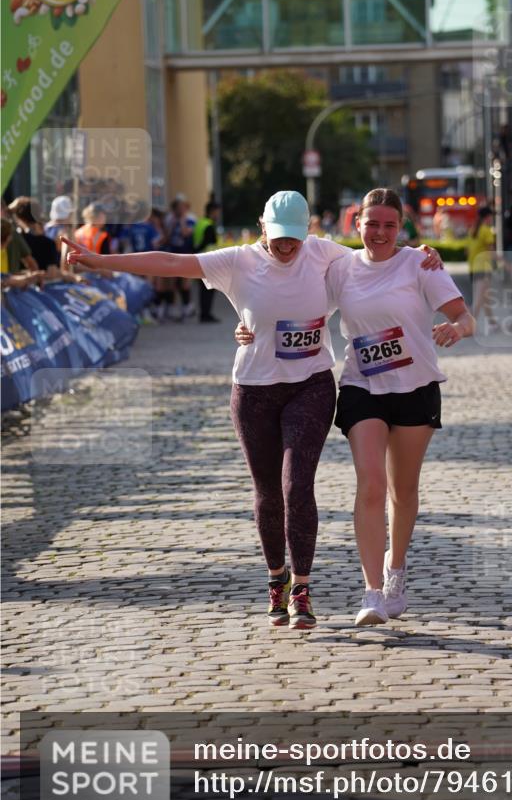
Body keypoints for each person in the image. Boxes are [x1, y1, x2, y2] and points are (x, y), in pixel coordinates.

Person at [62, 190, 444, 630]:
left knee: (297, 485)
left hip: (311, 386)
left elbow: (375, 256)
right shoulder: (237, 261)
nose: (287, 246)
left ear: (309, 233)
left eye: (295, 239)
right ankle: (276, 579)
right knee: (266, 492)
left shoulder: (324, 255)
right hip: (254, 390)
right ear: (262, 228)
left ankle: (302, 588)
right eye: (279, 237)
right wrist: (97, 260)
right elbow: (171, 262)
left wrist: (420, 254)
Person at [324, 189, 474, 625]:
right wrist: (247, 325)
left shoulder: (419, 264)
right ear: (357, 225)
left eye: (390, 225)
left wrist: (457, 329)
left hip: (415, 386)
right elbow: (295, 298)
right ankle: (371, 592)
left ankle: (396, 569)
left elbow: (466, 316)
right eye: (372, 224)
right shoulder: (341, 268)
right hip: (361, 385)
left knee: (401, 490)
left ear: (401, 227)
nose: (380, 233)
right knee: (370, 485)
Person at [163, 194, 196, 321]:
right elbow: (167, 236)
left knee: (184, 281)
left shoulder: (190, 218)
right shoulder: (170, 219)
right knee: (171, 281)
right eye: (177, 206)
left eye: (182, 206)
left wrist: (182, 219)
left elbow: (185, 233)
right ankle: (172, 307)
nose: (180, 209)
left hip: (186, 252)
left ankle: (187, 306)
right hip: (173, 252)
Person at [467, 206, 498, 331]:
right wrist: (506, 265)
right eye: (492, 216)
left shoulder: (473, 230)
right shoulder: (486, 230)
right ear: (488, 217)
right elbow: (492, 251)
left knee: (485, 297)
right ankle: (468, 326)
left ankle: (492, 323)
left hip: (474, 267)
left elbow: (467, 251)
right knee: (479, 298)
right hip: (484, 268)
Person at [192, 201, 220, 323]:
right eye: (217, 212)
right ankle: (206, 314)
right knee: (208, 289)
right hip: (208, 261)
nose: (218, 214)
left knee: (203, 289)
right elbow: (209, 245)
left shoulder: (199, 223)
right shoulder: (209, 226)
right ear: (212, 211)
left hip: (198, 259)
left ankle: (203, 313)